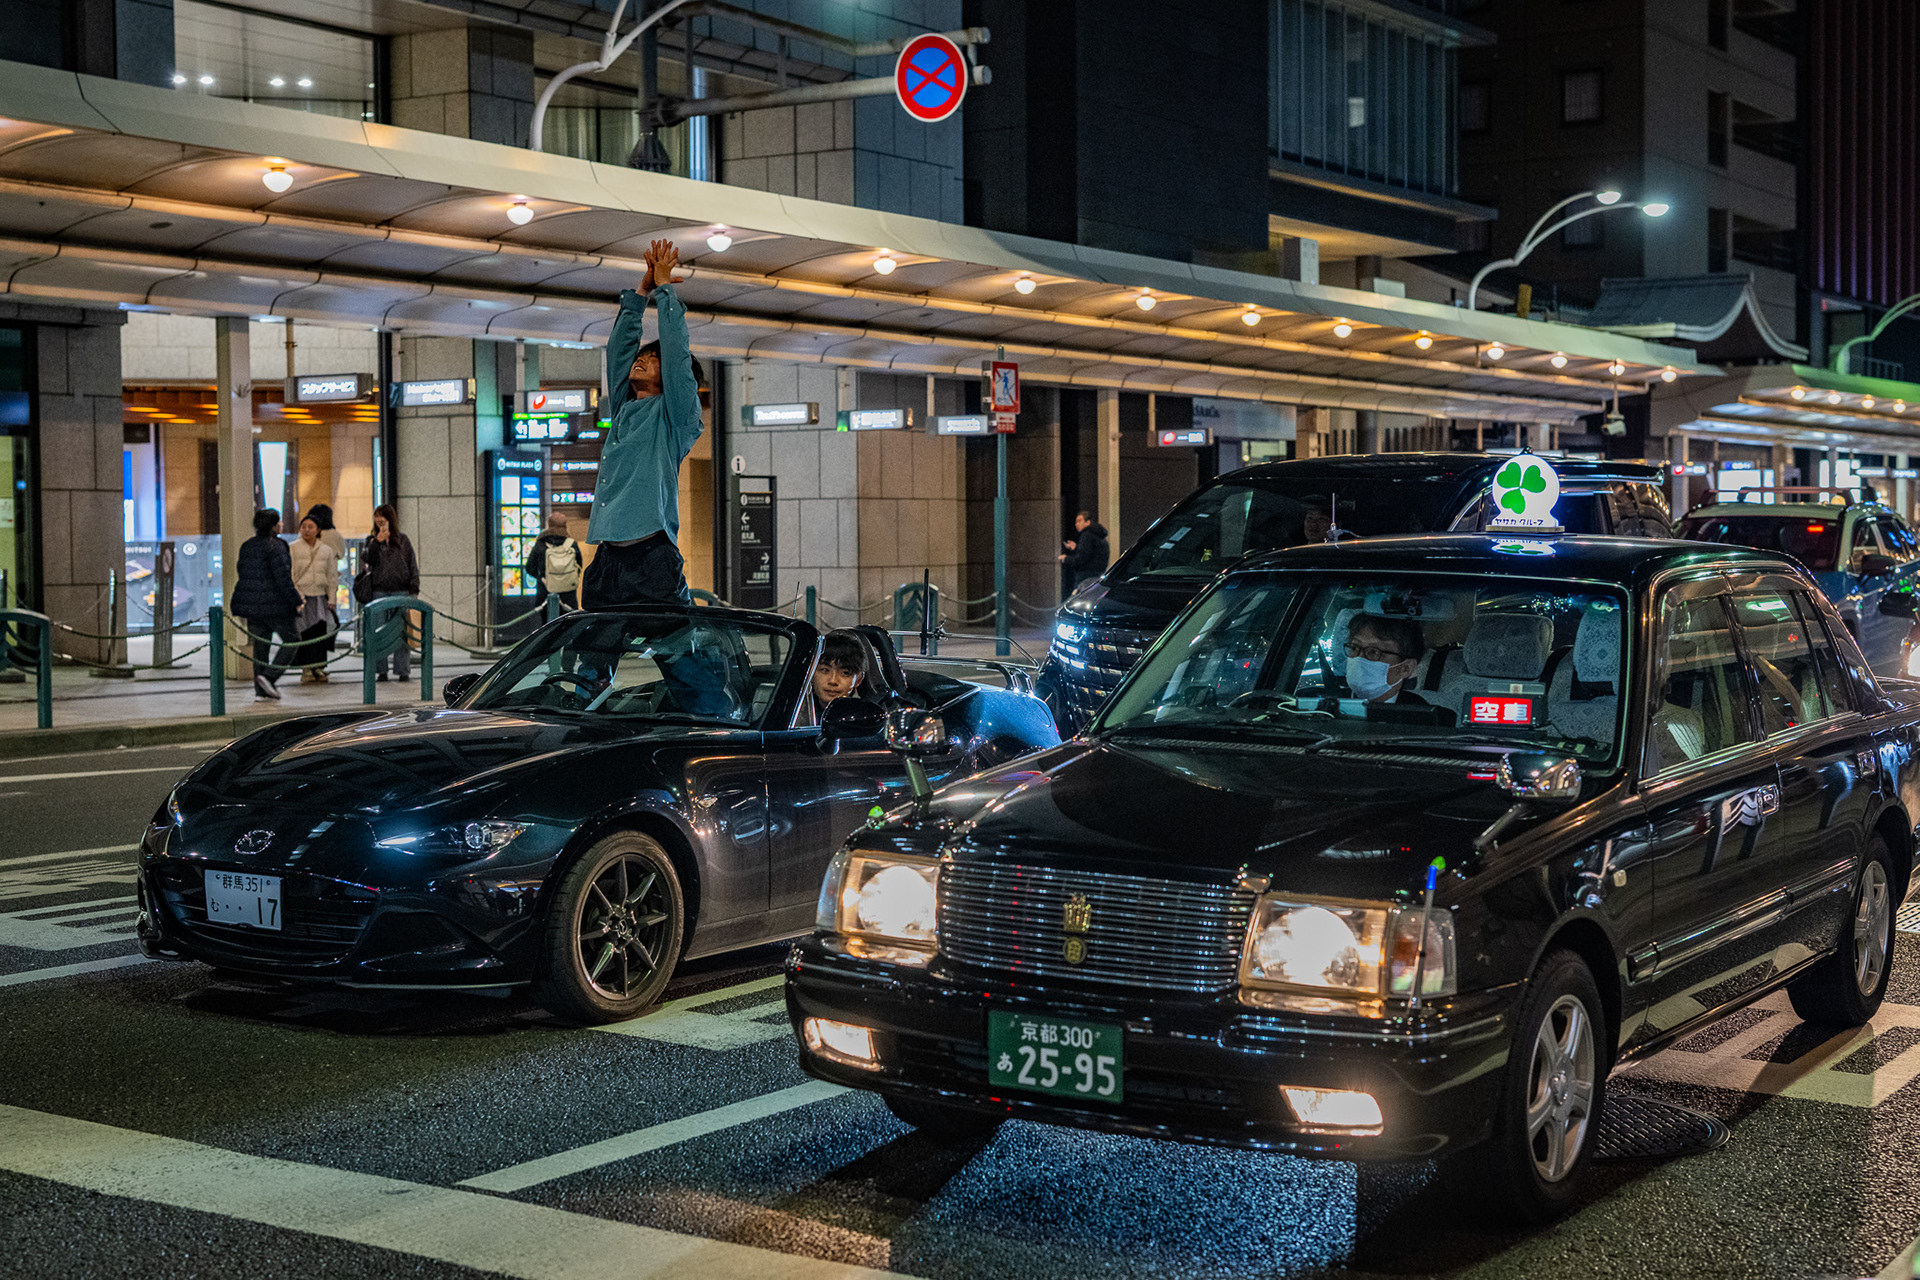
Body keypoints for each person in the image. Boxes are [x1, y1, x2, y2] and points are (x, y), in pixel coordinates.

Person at [583, 239, 707, 609]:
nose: (641, 361)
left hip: (652, 558)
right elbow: (618, 350)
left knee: (678, 654)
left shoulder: (676, 417)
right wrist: (642, 291)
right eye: (642, 357)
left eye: (652, 359)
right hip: (607, 558)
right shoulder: (623, 409)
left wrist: (665, 290)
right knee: (589, 656)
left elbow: (676, 353)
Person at [230, 508, 302, 701]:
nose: (281, 525)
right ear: (274, 525)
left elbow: (243, 574)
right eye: (279, 522)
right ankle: (269, 677)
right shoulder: (277, 546)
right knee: (293, 639)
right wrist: (295, 601)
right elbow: (283, 578)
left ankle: (260, 692)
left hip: (251, 606)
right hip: (276, 605)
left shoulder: (247, 546)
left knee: (260, 647)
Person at [355, 504, 419, 682]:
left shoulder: (403, 540)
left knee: (402, 632)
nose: (379, 520)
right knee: (378, 631)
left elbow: (412, 563)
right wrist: (377, 542)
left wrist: (414, 589)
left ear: (391, 518)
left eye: (382, 516)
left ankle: (403, 670)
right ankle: (381, 671)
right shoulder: (371, 540)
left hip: (401, 590)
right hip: (379, 591)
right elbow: (367, 559)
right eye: (376, 516)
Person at [1343, 613, 1439, 709]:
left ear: (1406, 668)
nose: (1359, 658)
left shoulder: (1424, 717)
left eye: (1373, 652)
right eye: (1354, 648)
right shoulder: (1330, 703)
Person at [288, 515, 338, 683]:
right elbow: (291, 575)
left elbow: (331, 576)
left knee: (320, 632)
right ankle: (306, 669)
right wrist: (296, 596)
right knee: (305, 633)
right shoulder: (293, 548)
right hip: (302, 597)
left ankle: (319, 666)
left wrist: (332, 599)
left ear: (318, 530)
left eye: (310, 527)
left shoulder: (326, 550)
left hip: (320, 597)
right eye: (303, 527)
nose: (306, 530)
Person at [800, 629, 878, 725]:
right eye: (825, 670)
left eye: (845, 673)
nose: (833, 681)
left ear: (858, 679)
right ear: (811, 673)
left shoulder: (865, 718)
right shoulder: (794, 714)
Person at [523, 513, 583, 613]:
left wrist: (542, 578)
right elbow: (579, 565)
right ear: (565, 525)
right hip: (568, 596)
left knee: (548, 625)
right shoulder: (571, 544)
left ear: (549, 524)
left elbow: (530, 567)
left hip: (545, 594)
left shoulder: (541, 543)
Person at [1058, 511, 1110, 589]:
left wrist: (1066, 559)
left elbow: (1081, 558)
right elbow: (1092, 553)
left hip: (1086, 578)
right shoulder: (1100, 536)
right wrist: (1076, 548)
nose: (1076, 524)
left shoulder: (1086, 535)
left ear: (1087, 522)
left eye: (1079, 521)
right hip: (1098, 576)